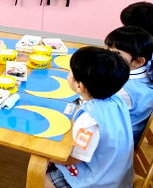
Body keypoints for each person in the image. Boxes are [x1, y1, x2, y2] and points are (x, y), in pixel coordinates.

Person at [45, 46, 133, 188]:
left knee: (39, 171)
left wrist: (49, 157)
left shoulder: (89, 121)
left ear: (79, 86)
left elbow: (75, 158)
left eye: (70, 71)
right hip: (117, 173)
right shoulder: (117, 100)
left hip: (99, 181)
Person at [104, 25, 153, 147]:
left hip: (117, 142)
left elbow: (103, 118)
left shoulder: (122, 87)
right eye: (107, 50)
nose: (107, 56)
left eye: (116, 53)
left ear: (138, 61)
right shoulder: (146, 71)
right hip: (131, 134)